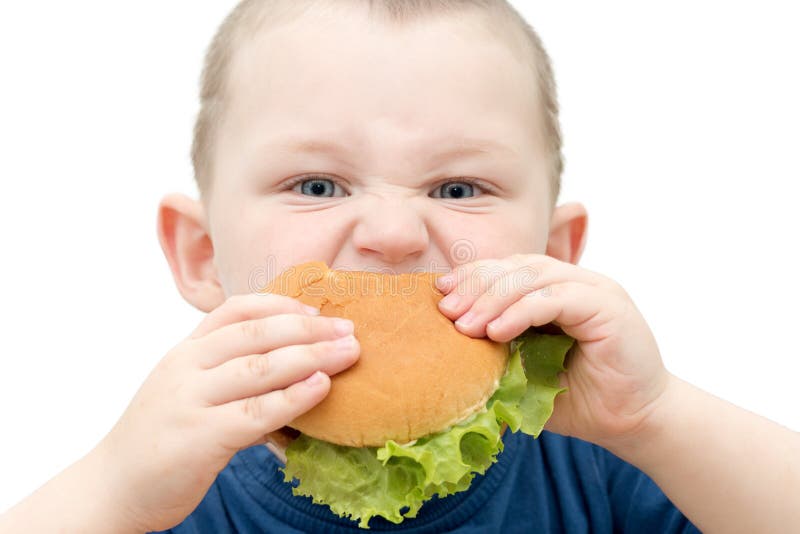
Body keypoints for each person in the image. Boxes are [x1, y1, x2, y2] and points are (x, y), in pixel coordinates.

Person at [1, 1, 798, 532]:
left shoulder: (600, 464)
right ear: (202, 255)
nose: (390, 233)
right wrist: (112, 489)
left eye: (458, 187)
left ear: (551, 256)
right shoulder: (166, 485)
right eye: (316, 185)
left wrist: (656, 417)